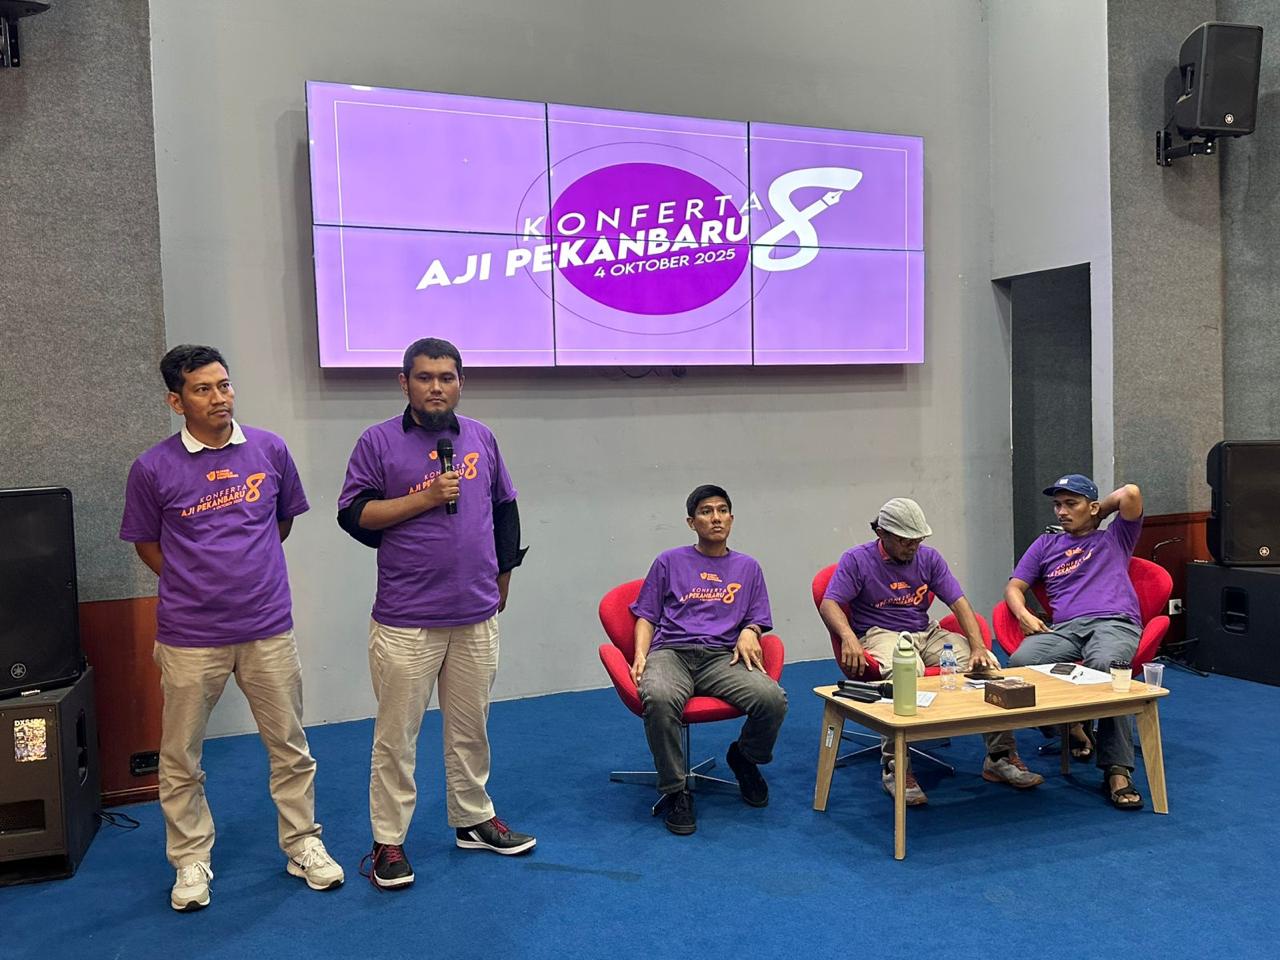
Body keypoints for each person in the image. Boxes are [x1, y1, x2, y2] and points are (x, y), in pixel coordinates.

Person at [120, 344, 343, 912]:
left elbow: (281, 522)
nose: (219, 397)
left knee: (290, 746)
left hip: (267, 627)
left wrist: (245, 576)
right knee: (181, 756)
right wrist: (195, 582)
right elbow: (146, 543)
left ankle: (302, 843)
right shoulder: (152, 468)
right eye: (203, 389)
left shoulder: (270, 449)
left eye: (224, 384)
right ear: (176, 402)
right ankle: (190, 859)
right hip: (189, 635)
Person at [337, 337, 533, 891]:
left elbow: (505, 509)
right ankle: (388, 841)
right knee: (396, 738)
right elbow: (354, 516)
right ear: (405, 383)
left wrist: (503, 577)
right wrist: (423, 499)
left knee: (471, 729)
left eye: (447, 377)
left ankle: (472, 819)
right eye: (424, 377)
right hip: (407, 618)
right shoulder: (378, 441)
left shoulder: (481, 437)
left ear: (460, 382)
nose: (436, 388)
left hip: (474, 612)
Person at [819, 497, 1043, 805]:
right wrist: (848, 637)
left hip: (926, 632)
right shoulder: (857, 559)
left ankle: (1000, 757)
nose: (913, 547)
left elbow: (959, 603)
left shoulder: (929, 558)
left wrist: (978, 647)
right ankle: (896, 768)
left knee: (987, 667)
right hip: (881, 633)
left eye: (918, 540)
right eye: (905, 541)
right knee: (906, 673)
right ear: (882, 533)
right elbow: (830, 603)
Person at [630, 485, 788, 835]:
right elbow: (646, 615)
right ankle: (675, 790)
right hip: (672, 652)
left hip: (722, 657)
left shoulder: (748, 567)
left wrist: (751, 631)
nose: (715, 518)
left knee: (772, 699)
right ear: (691, 522)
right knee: (659, 698)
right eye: (705, 511)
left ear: (731, 518)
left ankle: (744, 758)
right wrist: (640, 654)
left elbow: (758, 617)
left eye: (722, 510)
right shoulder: (669, 561)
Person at [1005, 474, 1146, 810]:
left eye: (1071, 504)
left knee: (1107, 669)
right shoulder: (1045, 544)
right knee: (1020, 665)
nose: (1061, 512)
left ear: (1092, 507)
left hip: (1113, 622)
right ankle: (1068, 726)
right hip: (1065, 629)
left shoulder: (1115, 537)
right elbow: (1014, 587)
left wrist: (1098, 514)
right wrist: (1023, 614)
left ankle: (1117, 770)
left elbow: (1130, 493)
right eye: (1057, 505)